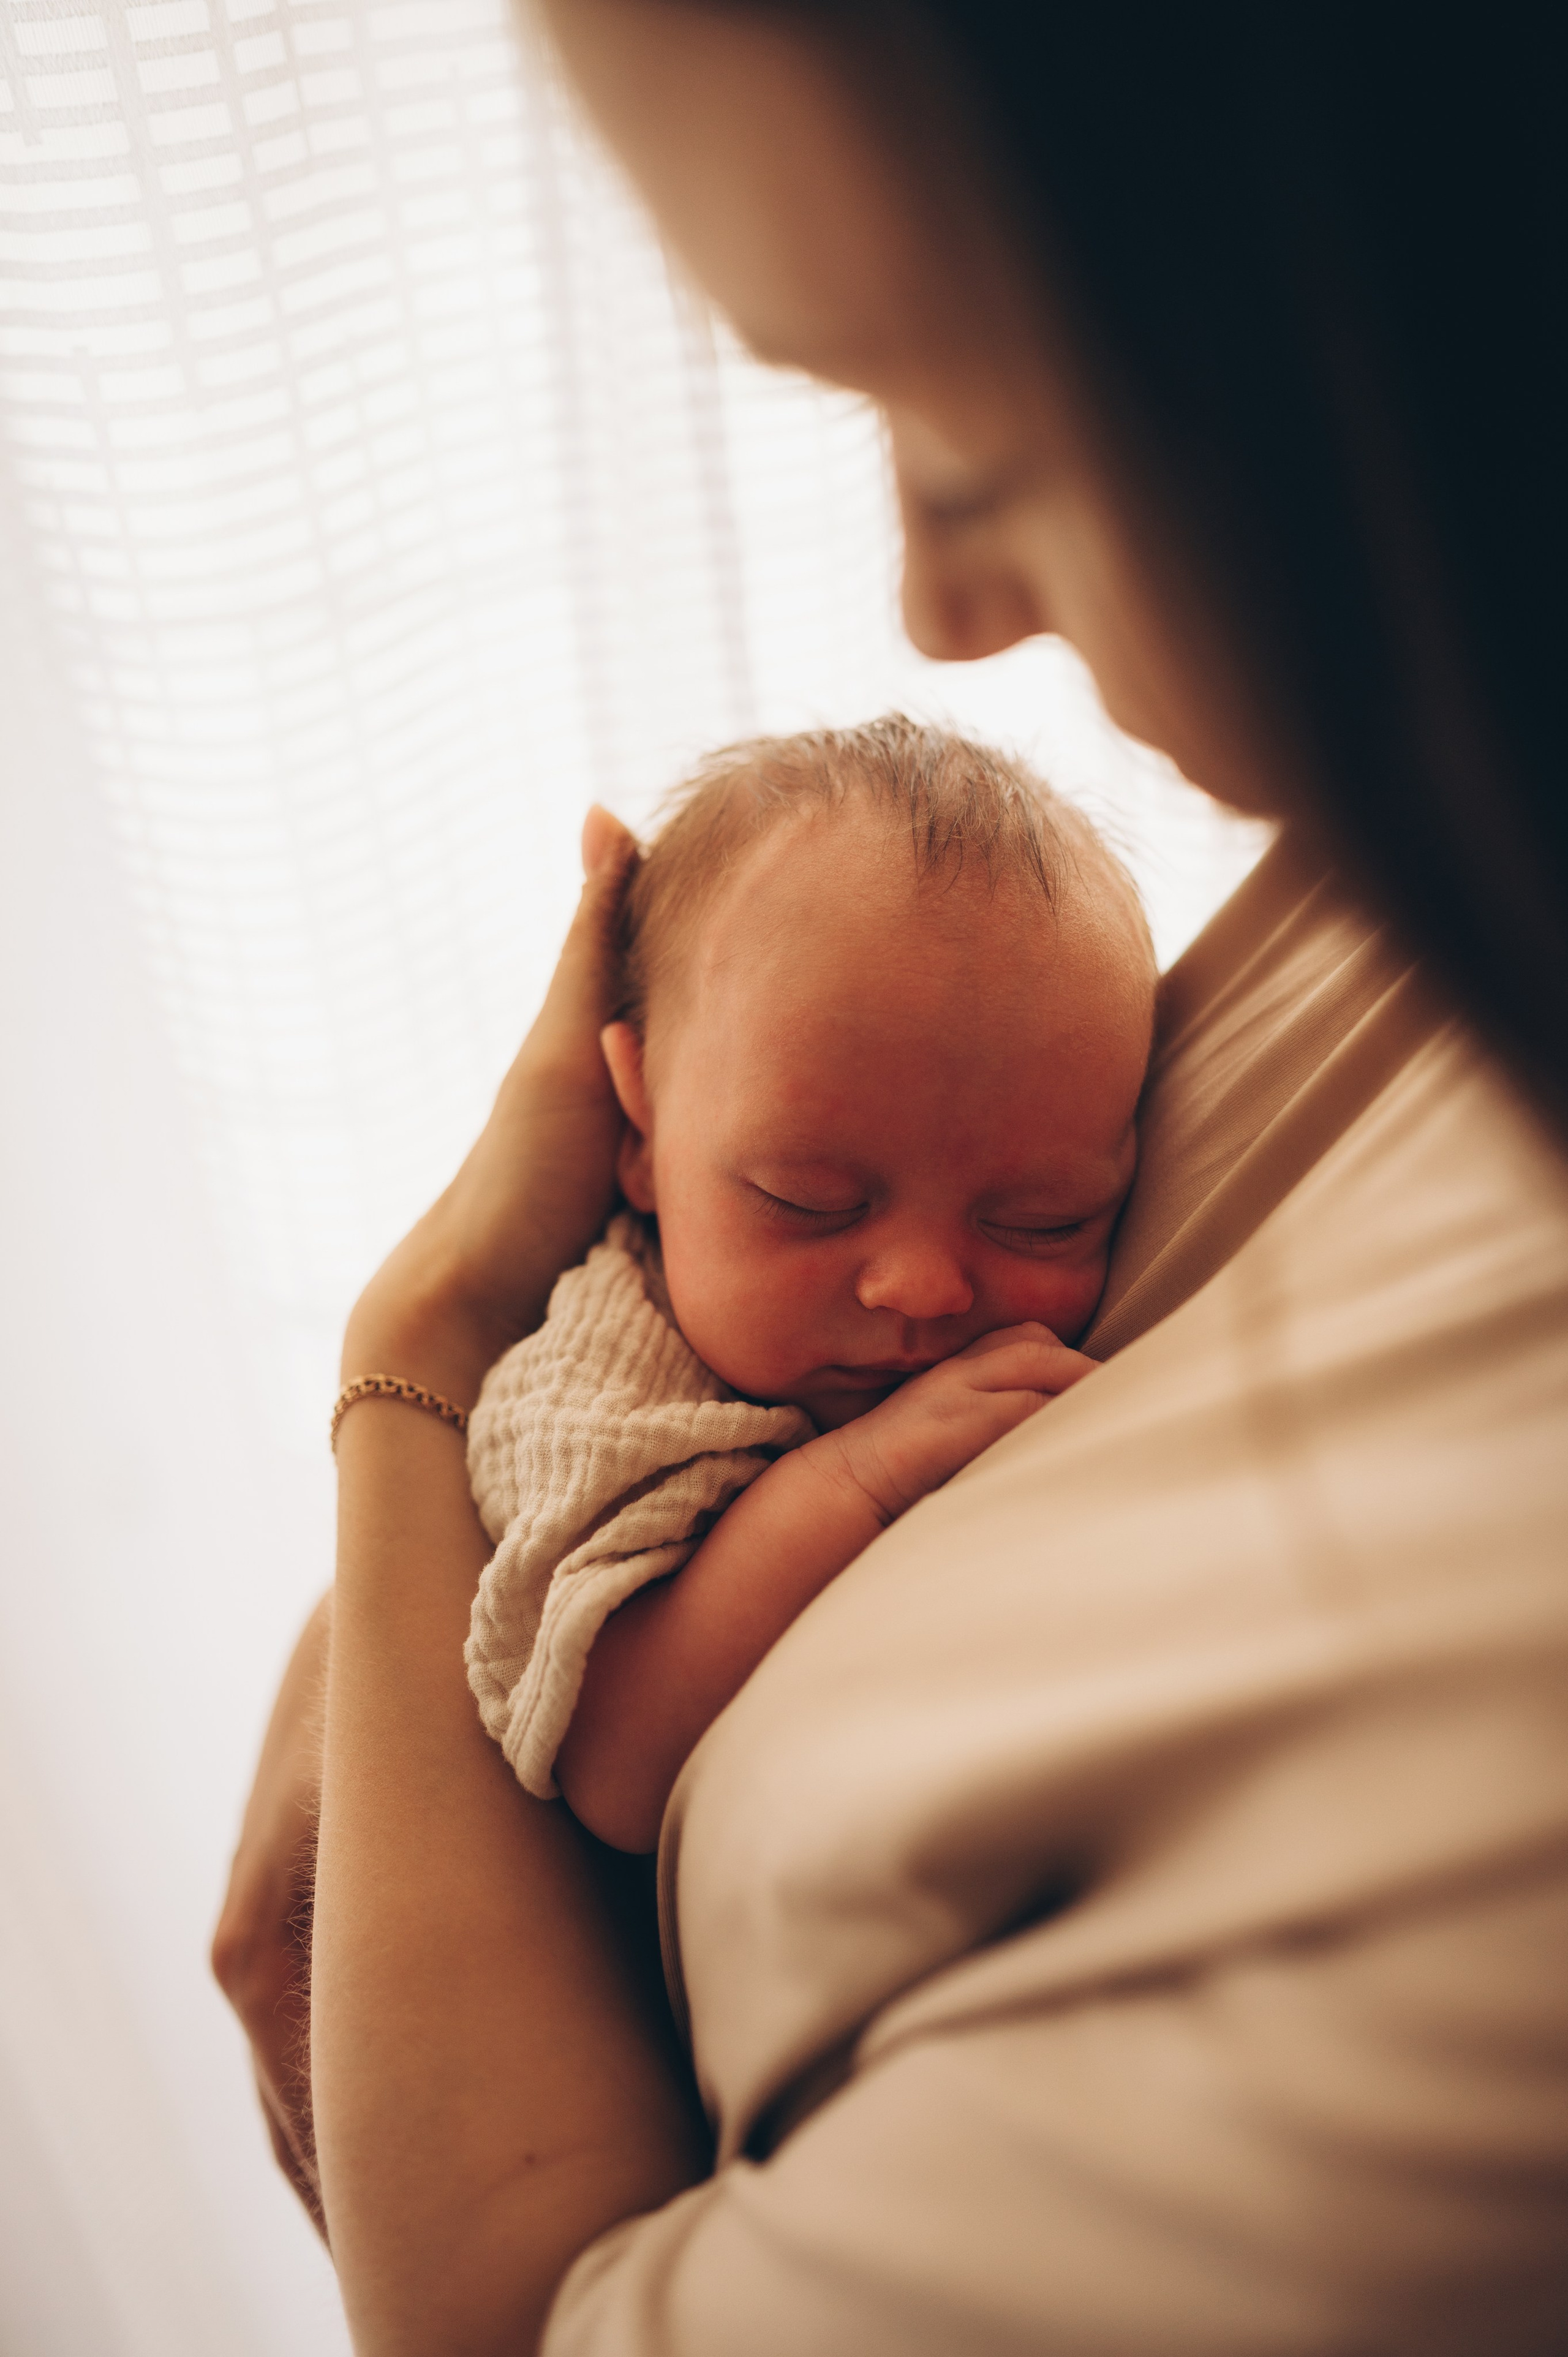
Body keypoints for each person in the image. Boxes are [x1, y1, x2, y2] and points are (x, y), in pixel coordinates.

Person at [211, 4, 1568, 2350]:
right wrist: (431, 1375)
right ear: (637, 1130)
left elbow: (517, 2308)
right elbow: (579, 1671)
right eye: (811, 1193)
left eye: (971, 409)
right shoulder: (1443, 825)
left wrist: (404, 1379)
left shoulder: (1467, 1886)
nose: (941, 599)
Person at [461, 718, 1153, 1852]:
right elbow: (618, 1764)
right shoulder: (594, 1384)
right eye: (808, 1200)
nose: (921, 1288)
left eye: (1044, 1219)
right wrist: (855, 1480)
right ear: (641, 1129)